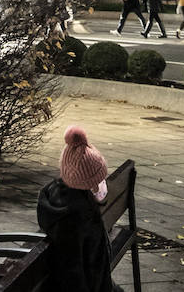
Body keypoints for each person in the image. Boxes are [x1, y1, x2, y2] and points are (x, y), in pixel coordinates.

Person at [37, 125, 114, 292]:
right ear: (88, 183)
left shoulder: (55, 195)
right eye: (98, 179)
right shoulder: (80, 216)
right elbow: (75, 271)